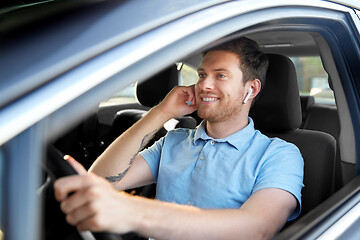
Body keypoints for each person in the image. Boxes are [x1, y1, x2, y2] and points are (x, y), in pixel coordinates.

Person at [54, 37, 304, 240]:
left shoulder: (279, 154)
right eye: (202, 75)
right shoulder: (174, 140)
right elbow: (103, 181)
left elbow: (257, 229)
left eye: (221, 75)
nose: (204, 84)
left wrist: (131, 212)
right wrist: (161, 112)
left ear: (251, 89)